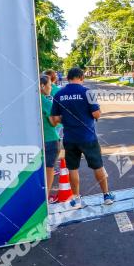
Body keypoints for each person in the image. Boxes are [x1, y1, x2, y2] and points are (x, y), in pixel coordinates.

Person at [50, 67, 114, 208]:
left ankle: (77, 198)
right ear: (81, 78)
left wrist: (65, 119)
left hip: (70, 138)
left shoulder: (59, 94)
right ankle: (106, 195)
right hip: (88, 137)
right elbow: (96, 114)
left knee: (72, 169)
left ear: (68, 78)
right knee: (98, 166)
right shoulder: (88, 92)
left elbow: (54, 119)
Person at [39, 75, 61, 197]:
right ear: (42, 86)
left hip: (37, 140)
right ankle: (46, 197)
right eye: (49, 85)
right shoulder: (45, 101)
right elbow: (53, 122)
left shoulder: (30, 101)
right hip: (50, 139)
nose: (51, 87)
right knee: (49, 169)